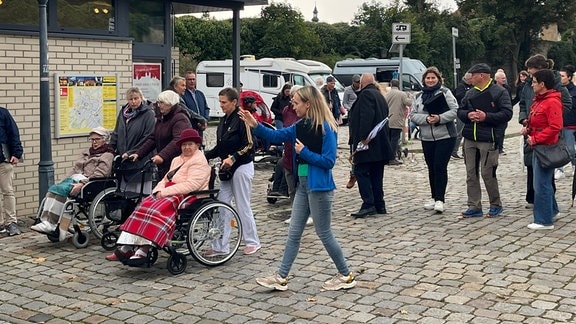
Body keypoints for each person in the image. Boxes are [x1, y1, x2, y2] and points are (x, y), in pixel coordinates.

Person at [240, 85, 356, 291]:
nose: (293, 106)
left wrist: (305, 152)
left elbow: (329, 161)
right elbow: (278, 136)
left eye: (296, 103)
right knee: (294, 233)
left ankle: (346, 275)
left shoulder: (327, 128)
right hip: (303, 185)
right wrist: (255, 125)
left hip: (319, 187)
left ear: (308, 104)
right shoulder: (301, 125)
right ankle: (281, 277)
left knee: (324, 233)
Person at [107, 128, 211, 264]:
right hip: (171, 191)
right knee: (142, 207)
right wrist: (157, 191)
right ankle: (127, 246)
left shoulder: (199, 161)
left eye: (190, 144)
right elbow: (165, 179)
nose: (186, 147)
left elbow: (191, 185)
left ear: (197, 145)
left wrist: (165, 192)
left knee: (154, 211)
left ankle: (143, 250)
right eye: (184, 145)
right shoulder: (177, 160)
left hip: (188, 195)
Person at [204, 87, 261, 255]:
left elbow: (250, 145)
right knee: (222, 205)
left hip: (242, 166)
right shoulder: (223, 121)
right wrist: (204, 156)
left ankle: (252, 241)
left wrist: (234, 157)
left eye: (224, 102)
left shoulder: (243, 118)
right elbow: (220, 147)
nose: (221, 105)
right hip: (226, 169)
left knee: (243, 205)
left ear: (234, 102)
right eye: (220, 102)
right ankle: (220, 246)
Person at [31, 127, 114, 240]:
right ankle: (46, 221)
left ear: (105, 139)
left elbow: (100, 174)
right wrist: (62, 180)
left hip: (90, 183)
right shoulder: (87, 152)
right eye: (92, 139)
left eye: (97, 139)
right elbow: (75, 169)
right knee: (53, 189)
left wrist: (82, 183)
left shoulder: (107, 155)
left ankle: (51, 224)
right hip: (76, 179)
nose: (94, 142)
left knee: (62, 192)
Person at [457, 63, 513, 218]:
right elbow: (460, 111)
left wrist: (486, 116)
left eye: (472, 74)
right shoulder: (470, 93)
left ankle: (495, 204)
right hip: (469, 137)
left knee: (487, 173)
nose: (470, 77)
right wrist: (468, 115)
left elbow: (507, 113)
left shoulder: (499, 92)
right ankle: (474, 206)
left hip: (489, 138)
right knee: (470, 174)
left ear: (481, 75)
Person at [518, 55, 571, 208]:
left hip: (545, 132)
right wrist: (524, 118)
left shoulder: (555, 84)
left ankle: (547, 205)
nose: (528, 71)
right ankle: (533, 197)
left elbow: (566, 104)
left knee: (545, 167)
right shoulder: (528, 84)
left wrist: (547, 116)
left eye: (531, 68)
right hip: (530, 129)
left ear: (540, 69)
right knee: (531, 164)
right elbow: (522, 104)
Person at [409, 67, 459, 213]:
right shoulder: (418, 96)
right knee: (431, 167)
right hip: (426, 137)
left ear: (438, 79)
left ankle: (440, 199)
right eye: (428, 78)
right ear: (424, 79)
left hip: (445, 136)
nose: (430, 80)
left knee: (439, 166)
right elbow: (412, 115)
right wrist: (425, 119)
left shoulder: (445, 92)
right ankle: (433, 196)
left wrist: (440, 118)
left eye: (433, 78)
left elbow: (454, 110)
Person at [520, 69, 562, 230]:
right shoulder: (540, 100)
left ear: (542, 84)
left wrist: (536, 138)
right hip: (537, 145)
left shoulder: (551, 101)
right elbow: (536, 120)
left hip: (545, 147)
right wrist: (528, 128)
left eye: (535, 82)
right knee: (542, 182)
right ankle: (552, 210)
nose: (532, 84)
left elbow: (555, 126)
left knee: (541, 184)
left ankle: (544, 220)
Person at [348, 73, 394, 218]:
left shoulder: (366, 95)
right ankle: (379, 204)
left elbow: (366, 118)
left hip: (368, 144)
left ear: (361, 83)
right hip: (380, 144)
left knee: (361, 172)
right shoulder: (379, 95)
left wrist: (362, 139)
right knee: (376, 175)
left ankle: (368, 204)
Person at [129, 90, 192, 180]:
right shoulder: (162, 118)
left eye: (162, 103)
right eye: (159, 102)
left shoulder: (180, 118)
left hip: (176, 165)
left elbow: (178, 140)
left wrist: (162, 155)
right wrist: (139, 153)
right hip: (165, 164)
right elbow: (153, 138)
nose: (159, 105)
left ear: (170, 103)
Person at [110, 87, 156, 195]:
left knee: (140, 195)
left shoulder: (148, 114)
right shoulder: (123, 113)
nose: (133, 101)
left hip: (141, 160)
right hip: (124, 161)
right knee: (125, 194)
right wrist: (111, 148)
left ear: (141, 98)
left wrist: (132, 152)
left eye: (136, 98)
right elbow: (116, 132)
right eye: (131, 99)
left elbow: (148, 137)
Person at [0, 107, 23, 236]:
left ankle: (11, 223)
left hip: (4, 159)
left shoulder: (3, 113)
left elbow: (13, 133)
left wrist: (16, 153)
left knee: (7, 191)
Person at [555, 65, 576, 179]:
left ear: (569, 77)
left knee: (570, 149)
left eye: (562, 76)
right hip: (557, 123)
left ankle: (574, 165)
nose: (560, 78)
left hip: (570, 124)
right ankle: (560, 169)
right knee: (558, 148)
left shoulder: (574, 91)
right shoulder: (556, 90)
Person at [385, 79, 413, 165]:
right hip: (397, 120)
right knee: (394, 139)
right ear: (398, 85)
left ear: (391, 84)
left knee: (389, 139)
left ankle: (387, 157)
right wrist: (410, 97)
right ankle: (392, 158)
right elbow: (409, 103)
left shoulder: (387, 94)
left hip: (388, 119)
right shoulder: (402, 94)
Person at [342, 74, 361, 189]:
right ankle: (353, 173)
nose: (358, 84)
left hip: (361, 115)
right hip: (352, 116)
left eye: (359, 82)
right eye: (356, 82)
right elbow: (344, 103)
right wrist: (351, 108)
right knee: (352, 145)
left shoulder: (363, 90)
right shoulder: (348, 90)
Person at [451, 72, 472, 159]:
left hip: (469, 112)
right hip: (462, 112)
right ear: (467, 79)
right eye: (471, 79)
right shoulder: (461, 86)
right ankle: (453, 151)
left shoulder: (471, 86)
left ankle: (465, 151)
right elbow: (459, 97)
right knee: (460, 132)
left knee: (467, 133)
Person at [494, 70, 512, 154]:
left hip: (504, 112)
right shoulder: (492, 88)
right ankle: (496, 147)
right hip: (495, 112)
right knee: (496, 132)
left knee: (502, 131)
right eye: (502, 78)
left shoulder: (507, 88)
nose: (504, 80)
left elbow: (510, 100)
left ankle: (500, 147)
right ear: (497, 79)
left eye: (505, 78)